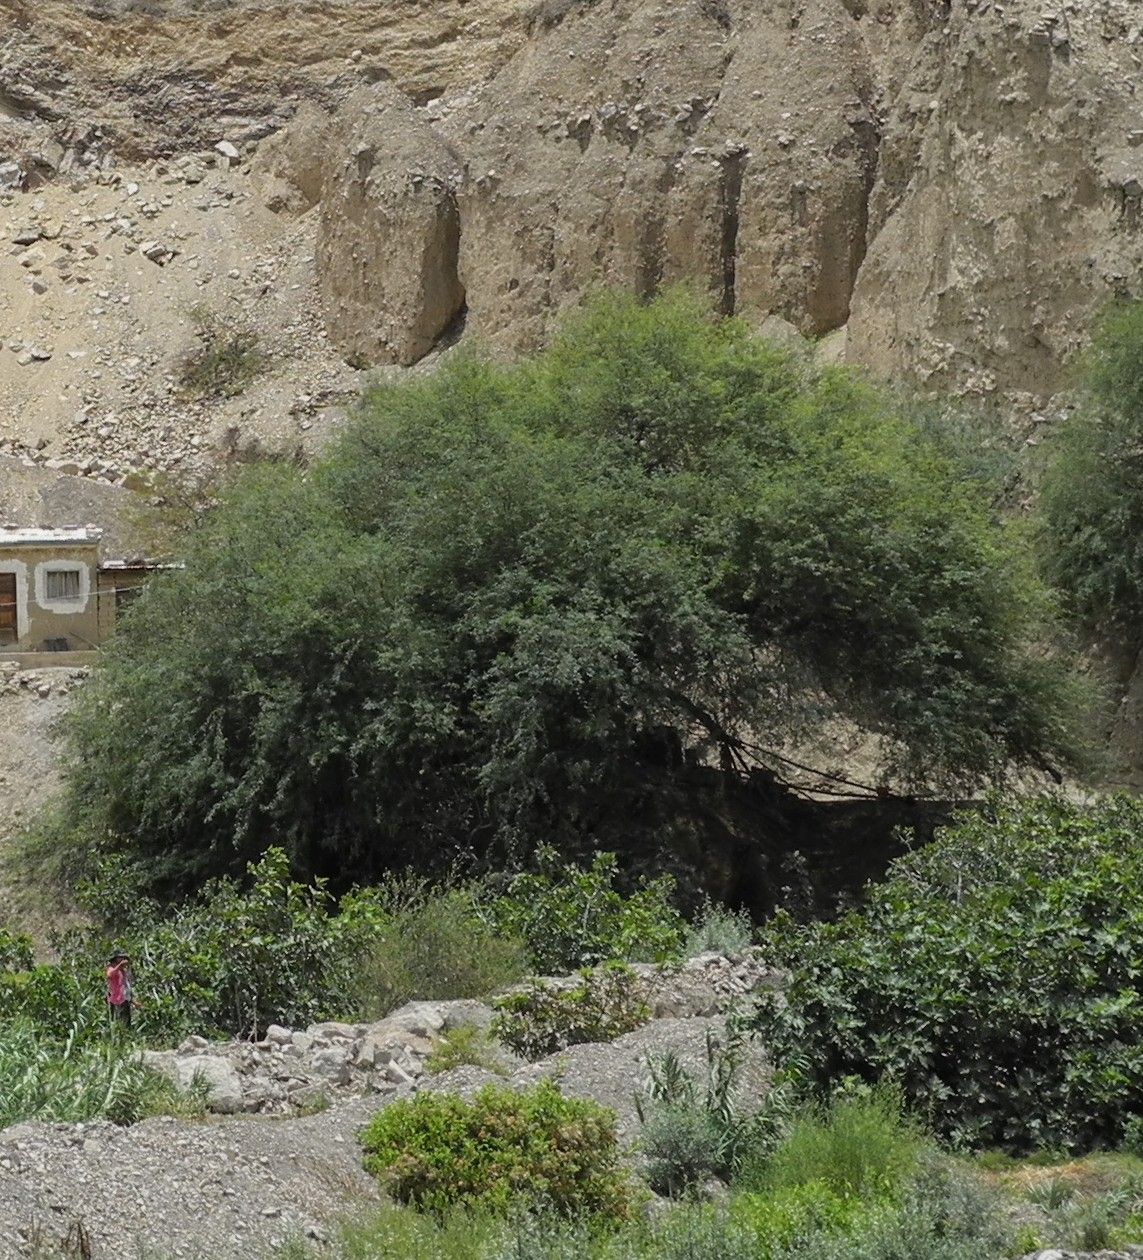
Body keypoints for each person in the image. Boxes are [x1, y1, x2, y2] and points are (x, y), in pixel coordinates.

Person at [106, 949, 134, 1030]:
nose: (122, 959)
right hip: (114, 999)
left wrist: (132, 1000)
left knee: (126, 1022)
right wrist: (119, 966)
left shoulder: (123, 971)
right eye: (120, 958)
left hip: (124, 999)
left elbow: (126, 986)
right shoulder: (111, 967)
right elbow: (109, 975)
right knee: (115, 1021)